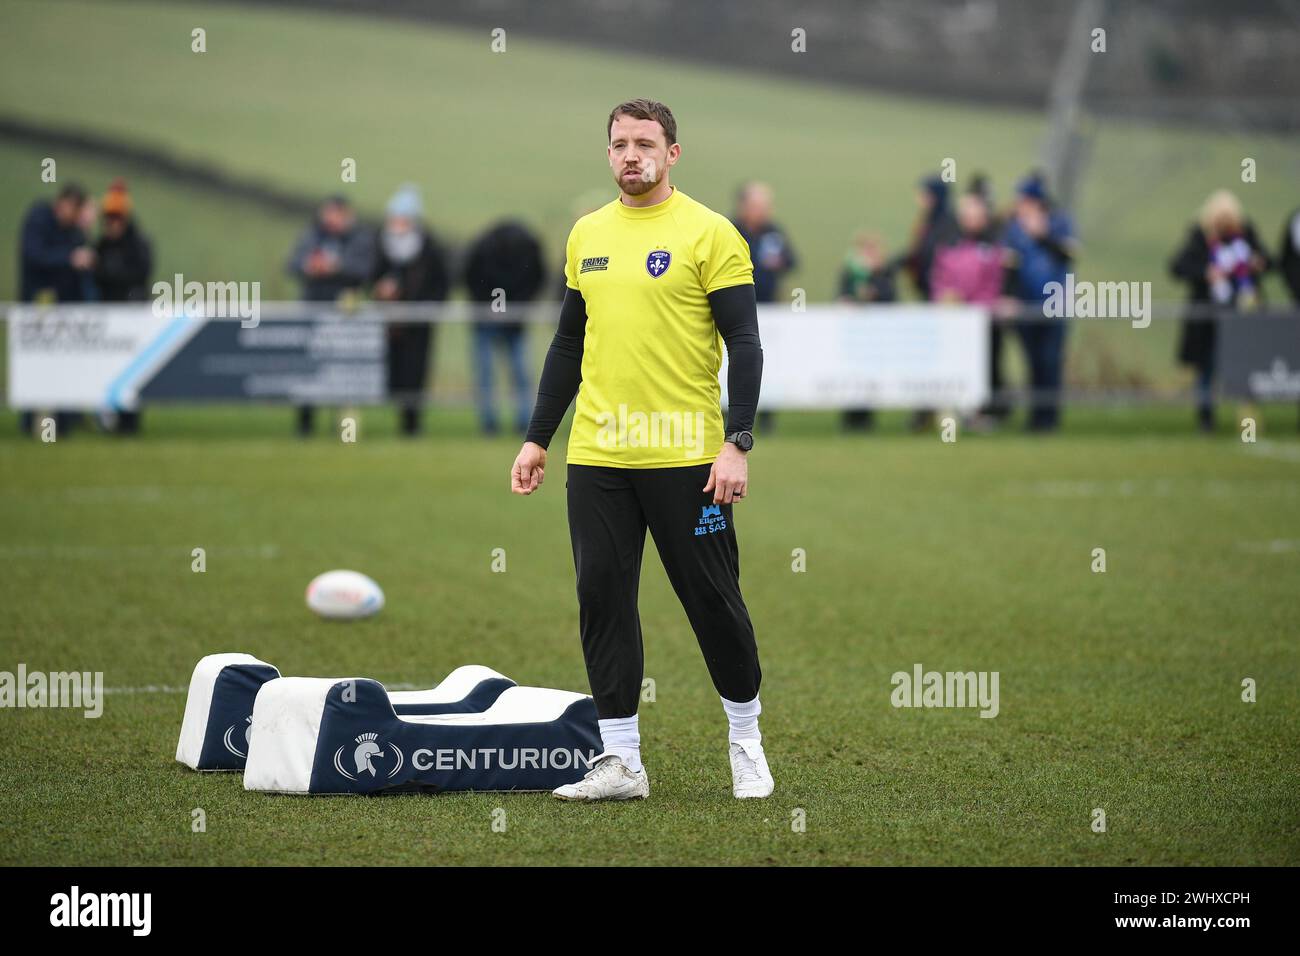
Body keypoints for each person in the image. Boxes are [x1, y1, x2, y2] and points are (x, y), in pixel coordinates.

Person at [510, 98, 772, 802]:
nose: (631, 154)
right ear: (608, 153)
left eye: (645, 143)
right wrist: (539, 436)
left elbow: (745, 343)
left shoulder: (711, 234)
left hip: (689, 461)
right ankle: (621, 761)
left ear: (672, 154)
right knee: (601, 599)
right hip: (598, 457)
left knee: (713, 602)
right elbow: (569, 343)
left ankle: (745, 739)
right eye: (620, 143)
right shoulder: (587, 234)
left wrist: (737, 442)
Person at [1169, 190, 1271, 432]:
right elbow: (1177, 266)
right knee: (1207, 368)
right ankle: (1206, 420)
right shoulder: (1200, 237)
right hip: (1209, 318)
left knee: (1246, 368)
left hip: (1242, 315)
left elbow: (1269, 259)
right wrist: (1206, 273)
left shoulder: (1246, 235)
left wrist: (1258, 263)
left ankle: (1248, 420)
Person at [285, 196, 376, 435]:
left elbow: (365, 270)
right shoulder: (312, 236)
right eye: (328, 213)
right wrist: (309, 266)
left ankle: (345, 428)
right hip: (312, 310)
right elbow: (293, 264)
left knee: (343, 373)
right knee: (309, 369)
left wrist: (336, 268)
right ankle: (305, 426)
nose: (331, 219)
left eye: (336, 214)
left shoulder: (359, 239)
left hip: (344, 317)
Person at [1002, 172, 1079, 432]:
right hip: (1026, 306)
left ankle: (1050, 419)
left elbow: (1069, 255)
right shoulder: (1014, 227)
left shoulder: (1059, 223)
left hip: (1054, 305)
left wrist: (1042, 235)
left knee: (1050, 361)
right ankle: (1035, 419)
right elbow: (1010, 266)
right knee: (1033, 362)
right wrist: (1009, 297)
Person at [372, 185, 450, 436]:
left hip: (419, 324)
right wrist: (380, 291)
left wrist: (428, 308)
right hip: (390, 324)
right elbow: (371, 277)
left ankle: (412, 425)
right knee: (393, 370)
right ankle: (399, 420)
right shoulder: (381, 245)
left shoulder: (429, 245)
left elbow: (442, 282)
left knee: (416, 372)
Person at [17, 183, 95, 435]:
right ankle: (32, 424)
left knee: (63, 364)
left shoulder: (72, 230)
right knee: (34, 365)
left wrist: (84, 229)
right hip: (36, 306)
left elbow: (84, 258)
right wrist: (69, 258)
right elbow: (34, 255)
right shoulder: (39, 218)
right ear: (66, 204)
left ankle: (62, 424)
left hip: (63, 308)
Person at [931, 191, 1013, 426]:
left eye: (975, 214)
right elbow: (940, 278)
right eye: (966, 214)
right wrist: (946, 298)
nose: (970, 219)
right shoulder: (949, 243)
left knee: (988, 366)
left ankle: (988, 414)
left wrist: (977, 305)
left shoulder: (994, 245)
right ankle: (955, 414)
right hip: (955, 321)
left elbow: (995, 282)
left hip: (983, 319)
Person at [464, 220, 547, 435]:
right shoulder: (485, 248)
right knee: (486, 372)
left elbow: (536, 280)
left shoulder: (527, 249)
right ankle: (489, 422)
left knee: (520, 372)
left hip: (516, 323)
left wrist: (517, 310)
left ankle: (523, 421)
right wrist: (489, 308)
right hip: (485, 321)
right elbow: (472, 279)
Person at [731, 182, 795, 434]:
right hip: (735, 308)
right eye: (758, 205)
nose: (764, 211)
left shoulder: (774, 232)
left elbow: (792, 260)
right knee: (734, 360)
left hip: (768, 310)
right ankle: (729, 414)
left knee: (768, 363)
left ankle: (767, 417)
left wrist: (779, 263)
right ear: (744, 206)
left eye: (767, 206)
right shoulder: (729, 230)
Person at [93, 178, 154, 434]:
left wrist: (106, 272)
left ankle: (129, 423)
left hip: (132, 317)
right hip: (107, 318)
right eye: (108, 218)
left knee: (132, 372)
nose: (112, 224)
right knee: (107, 371)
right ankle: (110, 422)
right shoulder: (102, 245)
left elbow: (139, 274)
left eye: (116, 218)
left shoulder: (138, 244)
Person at [836, 230, 898, 431]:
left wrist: (874, 291)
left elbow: (890, 297)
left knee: (870, 375)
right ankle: (850, 418)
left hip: (876, 335)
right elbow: (842, 296)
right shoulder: (850, 272)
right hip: (854, 335)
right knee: (852, 374)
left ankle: (866, 418)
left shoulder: (885, 273)